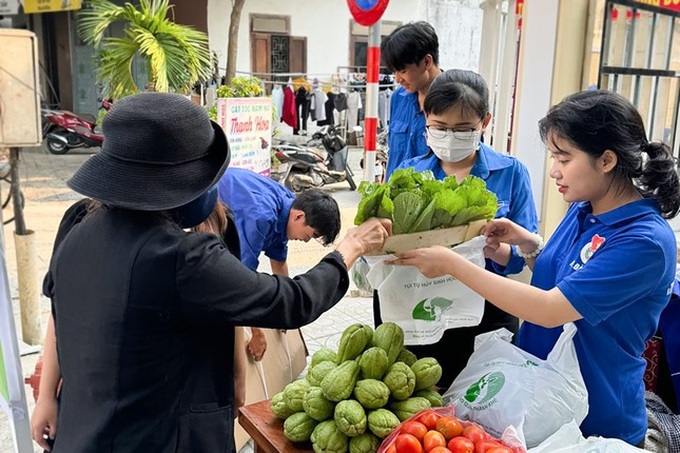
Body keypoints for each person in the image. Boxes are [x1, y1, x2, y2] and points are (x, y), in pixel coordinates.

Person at [37, 92, 390, 452]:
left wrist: (46, 396)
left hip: (80, 432)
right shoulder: (184, 258)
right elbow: (293, 302)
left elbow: (57, 312)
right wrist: (351, 248)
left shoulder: (78, 222)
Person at [390, 90, 680, 446]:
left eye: (564, 157)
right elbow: (558, 275)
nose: (555, 170)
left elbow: (550, 309)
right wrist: (523, 248)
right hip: (542, 403)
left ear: (606, 160)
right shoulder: (585, 207)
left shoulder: (644, 242)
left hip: (597, 419)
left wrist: (453, 264)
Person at [375, 69, 539, 388]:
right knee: (419, 401)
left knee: (484, 404)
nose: (450, 137)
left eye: (463, 129)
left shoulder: (511, 172)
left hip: (486, 310)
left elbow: (524, 255)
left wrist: (500, 251)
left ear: (485, 122)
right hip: (419, 307)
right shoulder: (410, 172)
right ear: (426, 120)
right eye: (440, 128)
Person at [217, 167, 341, 361]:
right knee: (222, 290)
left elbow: (279, 261)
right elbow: (241, 282)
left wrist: (288, 309)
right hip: (209, 197)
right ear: (299, 216)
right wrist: (257, 332)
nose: (308, 240)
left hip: (235, 201)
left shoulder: (288, 206)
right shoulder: (261, 217)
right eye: (312, 235)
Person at [381, 21, 442, 180]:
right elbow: (394, 152)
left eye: (402, 71)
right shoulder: (398, 98)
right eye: (394, 72)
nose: (398, 79)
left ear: (427, 62)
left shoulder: (457, 100)